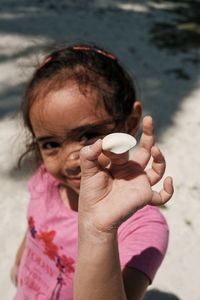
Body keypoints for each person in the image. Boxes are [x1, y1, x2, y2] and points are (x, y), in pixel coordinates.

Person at [10, 43, 174, 300]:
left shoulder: (145, 231)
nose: (73, 160)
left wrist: (98, 230)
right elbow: (35, 230)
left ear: (130, 124)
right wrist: (21, 263)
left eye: (89, 136)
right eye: (51, 144)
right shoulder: (46, 180)